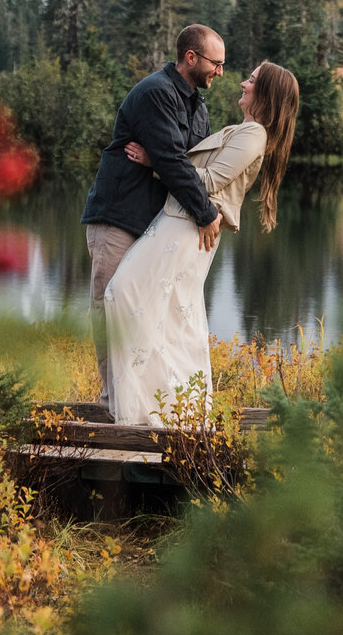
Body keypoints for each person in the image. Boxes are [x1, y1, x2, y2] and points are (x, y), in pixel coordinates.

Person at [102, 60, 299, 426]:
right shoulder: (248, 130)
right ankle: (171, 409)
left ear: (267, 94)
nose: (243, 83)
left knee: (125, 294)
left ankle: (148, 409)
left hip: (184, 227)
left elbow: (209, 181)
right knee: (172, 316)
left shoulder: (254, 134)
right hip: (181, 222)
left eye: (252, 81)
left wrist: (155, 161)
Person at [79, 24, 227, 404]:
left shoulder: (198, 108)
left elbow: (191, 164)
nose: (220, 72)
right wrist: (207, 214)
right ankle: (113, 400)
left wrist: (161, 161)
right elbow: (175, 162)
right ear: (190, 57)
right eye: (216, 63)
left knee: (145, 317)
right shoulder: (155, 93)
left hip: (153, 229)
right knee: (111, 307)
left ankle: (139, 400)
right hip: (118, 219)